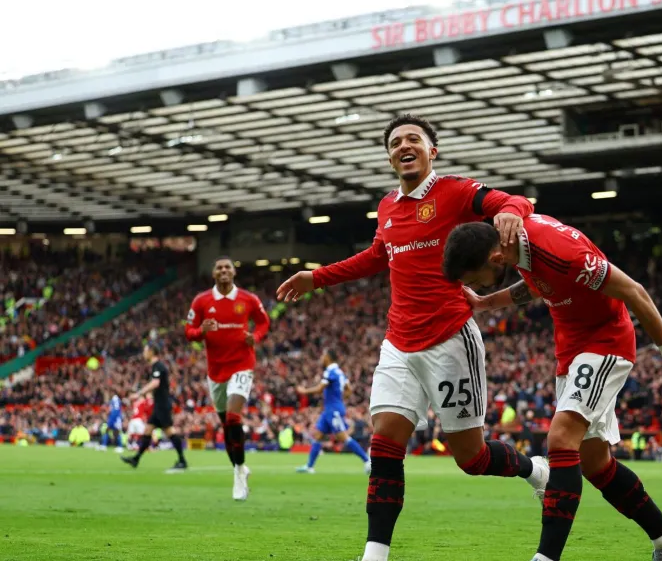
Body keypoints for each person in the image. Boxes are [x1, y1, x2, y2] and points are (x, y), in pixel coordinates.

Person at [276, 114, 548, 561]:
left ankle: (535, 469)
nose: (405, 145)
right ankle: (375, 554)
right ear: (389, 156)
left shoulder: (456, 191)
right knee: (383, 441)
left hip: (450, 340)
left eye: (414, 139)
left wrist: (508, 214)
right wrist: (317, 277)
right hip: (399, 342)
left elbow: (516, 200)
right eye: (396, 141)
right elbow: (374, 257)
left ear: (431, 151)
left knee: (472, 459)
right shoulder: (387, 207)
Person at [441, 216, 662, 561]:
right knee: (595, 463)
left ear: (495, 259)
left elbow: (633, 291)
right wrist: (487, 304)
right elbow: (537, 286)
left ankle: (545, 558)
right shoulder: (519, 248)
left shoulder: (561, 252)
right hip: (572, 351)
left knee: (560, 440)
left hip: (605, 342)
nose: (482, 286)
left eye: (477, 281)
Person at [185, 256, 270, 501]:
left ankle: (239, 475)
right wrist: (201, 331)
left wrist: (257, 336)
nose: (223, 270)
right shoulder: (202, 301)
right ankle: (240, 467)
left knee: (234, 417)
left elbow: (264, 322)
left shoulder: (248, 299)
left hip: (242, 364)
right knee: (226, 425)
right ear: (214, 273)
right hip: (216, 371)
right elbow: (188, 332)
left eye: (228, 267)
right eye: (219, 267)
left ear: (234, 272)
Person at [295, 349, 371, 474]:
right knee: (318, 435)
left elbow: (320, 389)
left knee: (342, 436)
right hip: (330, 409)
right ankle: (309, 466)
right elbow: (349, 390)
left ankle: (367, 460)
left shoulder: (330, 371)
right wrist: (339, 399)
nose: (322, 358)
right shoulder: (340, 372)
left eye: (323, 355)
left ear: (328, 357)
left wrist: (304, 391)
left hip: (333, 410)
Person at [120, 343, 188, 472]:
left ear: (151, 352)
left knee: (169, 432)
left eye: (145, 350)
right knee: (147, 431)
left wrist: (139, 394)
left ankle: (182, 460)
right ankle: (136, 459)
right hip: (159, 405)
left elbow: (155, 383)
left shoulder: (158, 366)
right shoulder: (155, 366)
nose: (144, 353)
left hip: (162, 405)